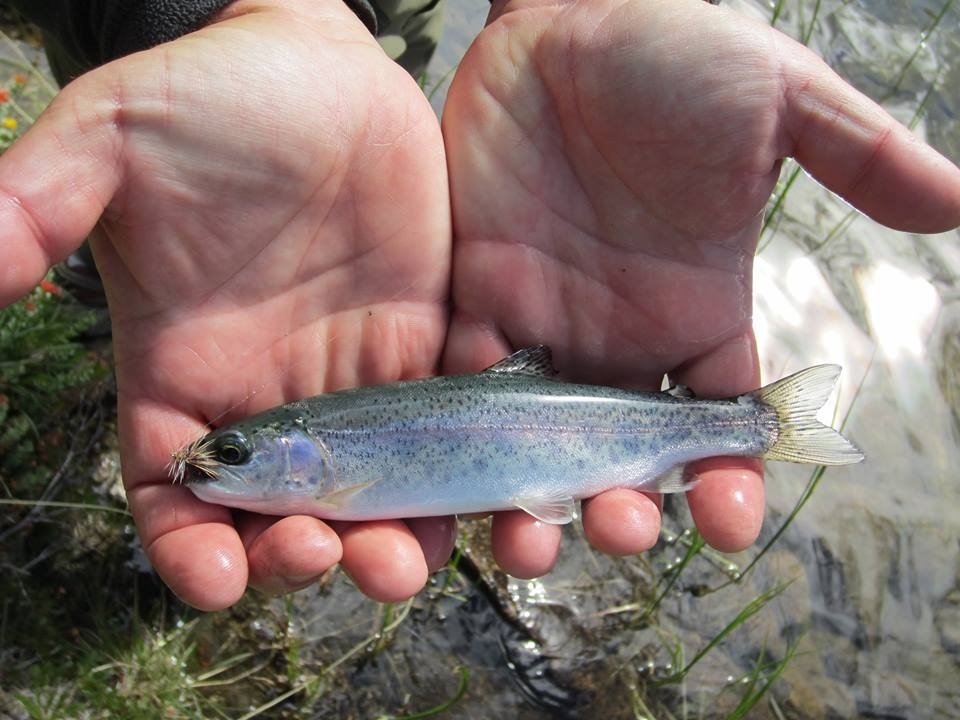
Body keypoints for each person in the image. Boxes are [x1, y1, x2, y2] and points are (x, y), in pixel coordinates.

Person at [2, 0, 958, 612]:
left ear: (301, 449)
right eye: (236, 451)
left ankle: (756, 425)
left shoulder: (322, 459)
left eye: (241, 452)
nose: (222, 460)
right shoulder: (302, 454)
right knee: (135, 262)